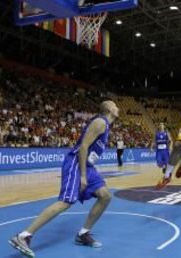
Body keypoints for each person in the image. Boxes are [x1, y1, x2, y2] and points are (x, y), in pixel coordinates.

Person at [9, 101, 119, 258]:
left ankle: (83, 234)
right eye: (115, 105)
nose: (118, 108)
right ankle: (24, 236)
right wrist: (82, 175)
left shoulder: (106, 125)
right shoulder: (101, 122)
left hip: (88, 166)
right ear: (109, 109)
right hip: (76, 163)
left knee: (105, 195)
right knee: (66, 202)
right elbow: (83, 147)